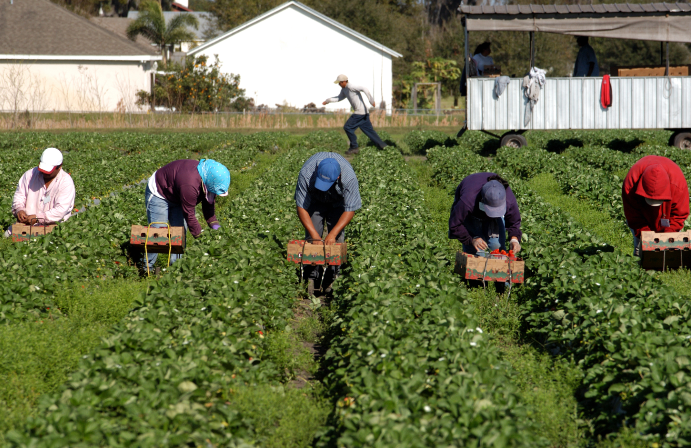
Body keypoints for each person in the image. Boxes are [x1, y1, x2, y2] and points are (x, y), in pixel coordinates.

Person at [142, 158, 229, 274]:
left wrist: (216, 228)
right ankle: (147, 269)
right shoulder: (190, 183)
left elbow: (209, 208)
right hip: (160, 192)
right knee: (158, 232)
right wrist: (203, 239)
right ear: (209, 182)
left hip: (178, 195)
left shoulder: (208, 180)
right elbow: (189, 214)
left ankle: (175, 269)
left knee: (179, 232)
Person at [295, 152, 361, 296]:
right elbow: (301, 207)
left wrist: (332, 234)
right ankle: (312, 276)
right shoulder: (307, 172)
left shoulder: (349, 177)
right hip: (315, 201)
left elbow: (350, 209)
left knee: (336, 242)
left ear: (338, 177)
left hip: (338, 203)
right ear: (317, 172)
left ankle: (331, 278)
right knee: (313, 240)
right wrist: (315, 235)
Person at [622, 155, 689, 256]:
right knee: (640, 250)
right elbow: (634, 217)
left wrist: (667, 238)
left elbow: (678, 215)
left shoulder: (678, 184)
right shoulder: (631, 184)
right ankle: (640, 265)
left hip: (667, 218)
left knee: (670, 250)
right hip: (642, 215)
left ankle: (667, 266)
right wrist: (646, 237)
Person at [448, 172, 522, 255]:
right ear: (482, 200)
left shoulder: (508, 199)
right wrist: (472, 239)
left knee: (497, 247)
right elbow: (455, 224)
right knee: (477, 251)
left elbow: (514, 222)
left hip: (493, 219)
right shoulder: (467, 201)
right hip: (471, 215)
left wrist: (514, 240)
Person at [7, 147, 75, 237]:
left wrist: (39, 218)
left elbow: (60, 210)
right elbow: (19, 196)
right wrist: (19, 209)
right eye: (43, 170)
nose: (45, 173)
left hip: (55, 227)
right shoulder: (29, 175)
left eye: (48, 171)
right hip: (27, 225)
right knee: (7, 235)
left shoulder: (66, 182)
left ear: (59, 167)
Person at [322, 74, 388, 155]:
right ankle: (383, 146)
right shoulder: (344, 89)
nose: (339, 85)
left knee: (347, 127)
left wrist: (371, 101)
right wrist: (328, 100)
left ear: (344, 82)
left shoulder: (351, 86)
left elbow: (364, 88)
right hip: (364, 113)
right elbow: (339, 98)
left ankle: (354, 147)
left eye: (340, 83)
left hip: (360, 112)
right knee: (369, 131)